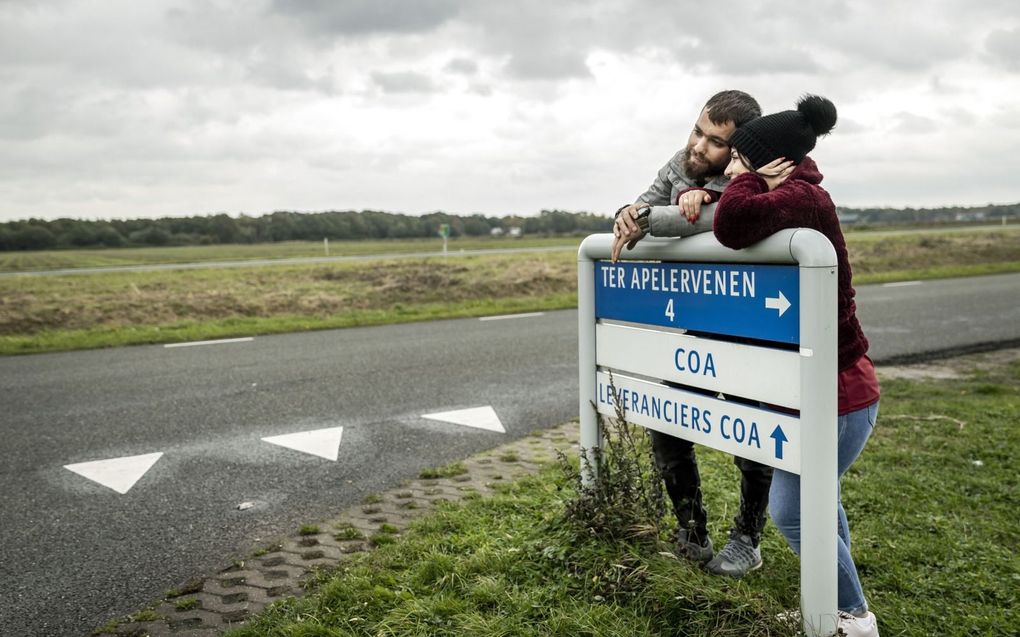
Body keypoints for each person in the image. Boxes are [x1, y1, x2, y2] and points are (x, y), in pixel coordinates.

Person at [711, 95, 882, 637]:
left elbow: (732, 224)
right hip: (820, 386)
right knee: (820, 504)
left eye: (738, 158)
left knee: (792, 510)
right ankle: (828, 606)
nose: (729, 168)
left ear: (770, 162)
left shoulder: (802, 197)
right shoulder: (789, 193)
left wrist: (747, 180)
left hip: (837, 391)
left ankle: (854, 618)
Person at [610, 90, 777, 578]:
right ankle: (691, 531)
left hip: (751, 324)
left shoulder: (757, 175)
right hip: (696, 318)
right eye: (698, 131)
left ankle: (747, 538)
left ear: (739, 149)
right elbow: (640, 210)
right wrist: (628, 213)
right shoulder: (679, 163)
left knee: (752, 433)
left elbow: (722, 220)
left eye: (716, 141)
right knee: (669, 421)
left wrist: (702, 202)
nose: (699, 146)